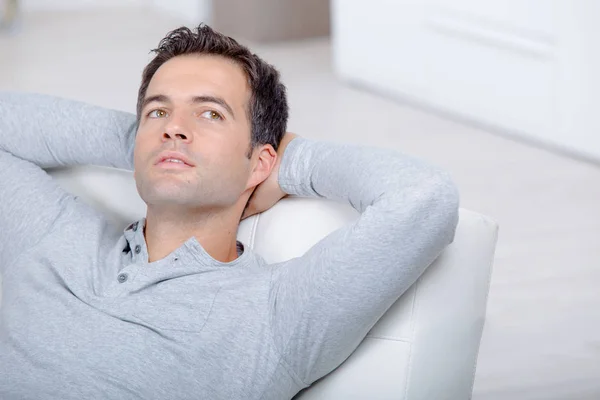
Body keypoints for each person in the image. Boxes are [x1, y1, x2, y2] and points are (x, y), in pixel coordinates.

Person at [0, 24, 459, 400]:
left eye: (210, 114)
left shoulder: (275, 314)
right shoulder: (54, 233)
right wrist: (142, 141)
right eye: (158, 112)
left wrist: (287, 162)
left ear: (260, 161)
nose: (175, 128)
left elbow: (422, 197)